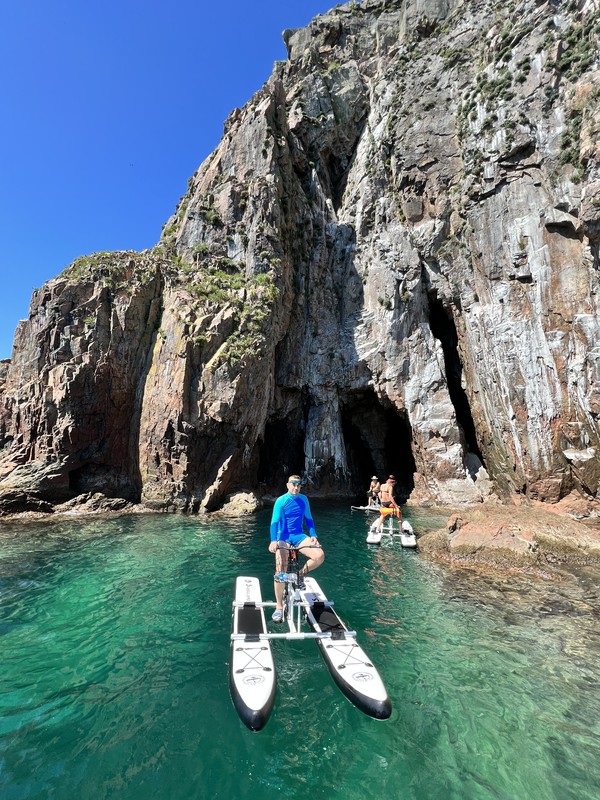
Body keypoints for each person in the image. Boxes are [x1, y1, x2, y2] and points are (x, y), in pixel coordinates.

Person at [268, 475, 325, 623]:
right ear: (287, 485)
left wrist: (313, 535)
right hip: (283, 538)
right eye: (293, 484)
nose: (296, 487)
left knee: (319, 556)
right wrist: (273, 541)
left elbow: (309, 519)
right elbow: (274, 523)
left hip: (298, 536)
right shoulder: (281, 501)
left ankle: (300, 575)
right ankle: (279, 607)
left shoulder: (304, 499)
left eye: (298, 485)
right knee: (280, 572)